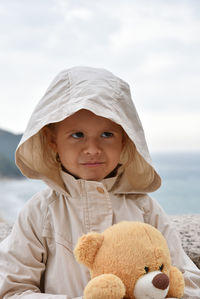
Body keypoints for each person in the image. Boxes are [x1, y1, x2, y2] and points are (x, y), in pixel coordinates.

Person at [0, 66, 199, 298]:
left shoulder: (145, 209)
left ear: (125, 139)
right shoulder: (40, 211)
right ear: (52, 141)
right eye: (77, 135)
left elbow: (187, 281)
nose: (93, 149)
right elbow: (12, 289)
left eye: (107, 135)